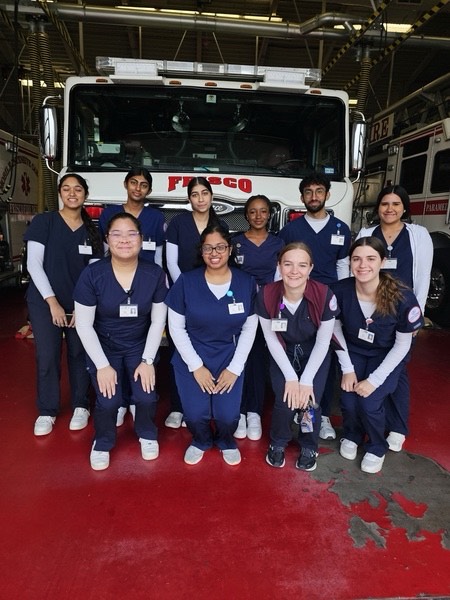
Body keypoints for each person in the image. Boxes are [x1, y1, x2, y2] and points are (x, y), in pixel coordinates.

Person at [74, 213, 167, 471]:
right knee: (109, 400)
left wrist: (148, 360)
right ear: (107, 239)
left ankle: (147, 433)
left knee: (146, 396)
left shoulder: (154, 274)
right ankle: (102, 442)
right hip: (104, 345)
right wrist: (102, 366)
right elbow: (83, 325)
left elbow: (158, 321)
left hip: (139, 344)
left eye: (131, 234)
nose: (124, 240)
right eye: (117, 234)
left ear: (141, 239)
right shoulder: (92, 275)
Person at [165, 224, 258, 466]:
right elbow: (176, 328)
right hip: (192, 355)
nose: (214, 252)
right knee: (195, 415)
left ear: (229, 250)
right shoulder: (186, 282)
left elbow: (249, 328)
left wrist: (235, 368)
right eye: (208, 247)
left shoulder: (246, 283)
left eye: (220, 247)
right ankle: (201, 440)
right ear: (201, 251)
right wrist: (196, 366)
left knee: (227, 416)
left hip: (229, 354)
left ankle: (226, 441)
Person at [332, 237, 424, 474]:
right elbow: (335, 329)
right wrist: (347, 368)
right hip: (353, 352)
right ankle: (352, 434)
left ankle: (376, 446)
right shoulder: (340, 290)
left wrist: (374, 380)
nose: (363, 265)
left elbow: (403, 345)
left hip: (388, 355)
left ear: (383, 261)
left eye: (371, 259)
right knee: (349, 399)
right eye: (356, 259)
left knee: (369, 401)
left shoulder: (402, 297)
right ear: (350, 262)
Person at [24, 173, 103, 436]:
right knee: (47, 356)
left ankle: (81, 405)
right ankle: (47, 410)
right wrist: (53, 303)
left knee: (80, 354)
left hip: (79, 304)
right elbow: (34, 264)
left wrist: (82, 307)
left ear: (85, 195)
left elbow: (93, 274)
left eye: (78, 189)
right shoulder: (44, 222)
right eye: (67, 189)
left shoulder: (93, 230)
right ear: (59, 192)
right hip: (45, 302)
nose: (72, 193)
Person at [356, 185, 433, 452]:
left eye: (396, 204)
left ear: (404, 208)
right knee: (378, 367)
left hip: (402, 311)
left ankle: (398, 427)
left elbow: (422, 276)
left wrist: (416, 317)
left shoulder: (418, 235)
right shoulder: (367, 233)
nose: (389, 209)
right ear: (377, 208)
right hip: (372, 309)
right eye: (385, 204)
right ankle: (371, 422)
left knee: (398, 370)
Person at [278, 172, 351, 441]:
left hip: (328, 302)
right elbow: (282, 268)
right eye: (308, 192)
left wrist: (343, 299)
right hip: (297, 300)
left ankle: (322, 416)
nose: (314, 196)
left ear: (327, 195)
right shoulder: (291, 230)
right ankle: (297, 406)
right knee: (296, 351)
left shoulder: (341, 229)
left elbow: (343, 266)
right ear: (301, 197)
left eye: (319, 191)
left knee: (327, 358)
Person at [256, 242, 339, 471]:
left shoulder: (324, 294)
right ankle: (278, 442)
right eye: (288, 264)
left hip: (315, 354)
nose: (294, 271)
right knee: (286, 400)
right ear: (279, 266)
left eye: (302, 265)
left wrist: (306, 380)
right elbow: (271, 339)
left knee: (309, 402)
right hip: (282, 352)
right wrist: (292, 379)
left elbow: (324, 341)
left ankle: (309, 445)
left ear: (310, 268)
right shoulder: (267, 294)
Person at [98, 168, 166, 426]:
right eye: (134, 183)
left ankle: (139, 399)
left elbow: (158, 255)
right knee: (117, 343)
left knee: (142, 341)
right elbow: (106, 251)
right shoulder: (109, 214)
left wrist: (160, 281)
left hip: (147, 286)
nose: (138, 188)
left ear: (149, 190)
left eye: (144, 184)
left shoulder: (155, 217)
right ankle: (121, 401)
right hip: (116, 284)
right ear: (126, 185)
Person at [164, 177, 225, 429]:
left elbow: (221, 260)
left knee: (208, 348)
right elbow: (171, 262)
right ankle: (178, 407)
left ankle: (207, 405)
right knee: (180, 350)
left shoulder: (219, 224)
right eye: (195, 194)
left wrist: (205, 293)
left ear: (211, 196)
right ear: (189, 199)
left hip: (212, 296)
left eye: (205, 193)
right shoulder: (178, 223)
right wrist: (188, 291)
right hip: (183, 294)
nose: (200, 199)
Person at [231, 194, 284, 440]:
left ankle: (254, 413)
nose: (258, 216)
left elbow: (281, 278)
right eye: (253, 211)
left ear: (269, 214)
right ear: (246, 215)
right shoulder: (235, 242)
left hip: (269, 310)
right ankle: (238, 412)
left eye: (263, 211)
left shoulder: (279, 243)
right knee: (239, 359)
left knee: (259, 362)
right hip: (240, 309)